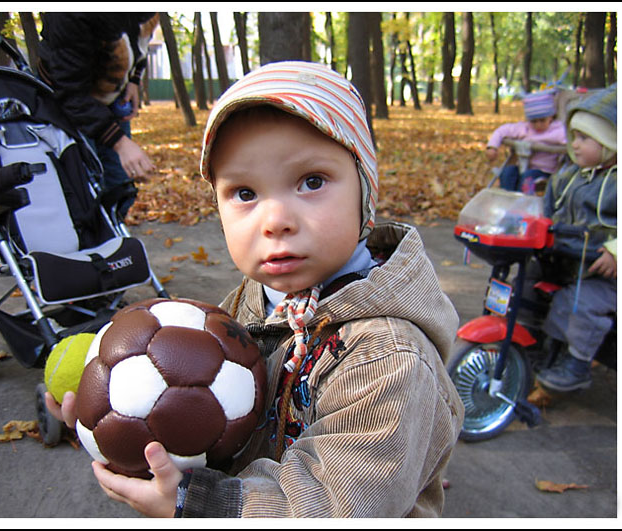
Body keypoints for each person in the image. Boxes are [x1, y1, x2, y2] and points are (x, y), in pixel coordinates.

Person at [46, 61, 464, 517]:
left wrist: (198, 502)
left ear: (365, 191)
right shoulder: (252, 300)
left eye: (312, 182)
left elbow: (335, 508)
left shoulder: (386, 360)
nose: (274, 221)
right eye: (244, 193)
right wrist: (118, 417)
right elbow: (202, 405)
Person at [534, 84, 617, 392]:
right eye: (574, 137)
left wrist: (616, 250)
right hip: (567, 259)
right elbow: (547, 209)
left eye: (585, 139)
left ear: (611, 143)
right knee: (528, 280)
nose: (576, 145)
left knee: (579, 302)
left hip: (605, 273)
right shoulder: (569, 176)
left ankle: (577, 362)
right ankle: (541, 345)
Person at [37, 12, 158, 217]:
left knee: (120, 186)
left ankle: (113, 230)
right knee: (85, 189)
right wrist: (119, 143)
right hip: (68, 102)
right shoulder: (68, 15)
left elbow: (141, 40)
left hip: (111, 97)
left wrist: (134, 80)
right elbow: (69, 92)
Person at [486, 90, 567, 194]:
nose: (538, 125)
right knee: (507, 172)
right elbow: (501, 130)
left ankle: (521, 203)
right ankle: (506, 198)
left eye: (542, 120)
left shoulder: (558, 131)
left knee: (527, 178)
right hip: (522, 167)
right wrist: (492, 147)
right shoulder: (524, 128)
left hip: (544, 171)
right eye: (533, 121)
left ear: (550, 117)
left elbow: (570, 143)